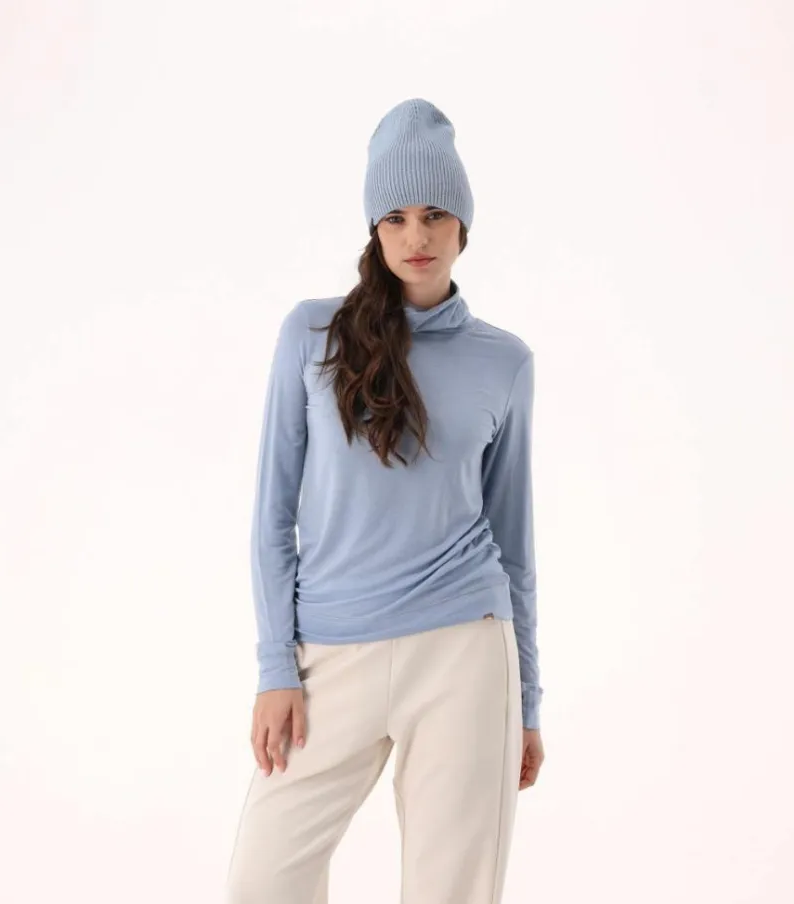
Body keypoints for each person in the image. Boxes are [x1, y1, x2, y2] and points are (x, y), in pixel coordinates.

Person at [225, 97, 545, 904]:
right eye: (396, 217)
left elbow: (514, 543)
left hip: (465, 651)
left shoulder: (504, 362)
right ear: (374, 229)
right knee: (263, 881)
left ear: (463, 225)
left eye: (435, 214)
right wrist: (275, 666)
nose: (416, 236)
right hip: (330, 656)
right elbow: (271, 515)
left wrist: (528, 703)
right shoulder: (313, 336)